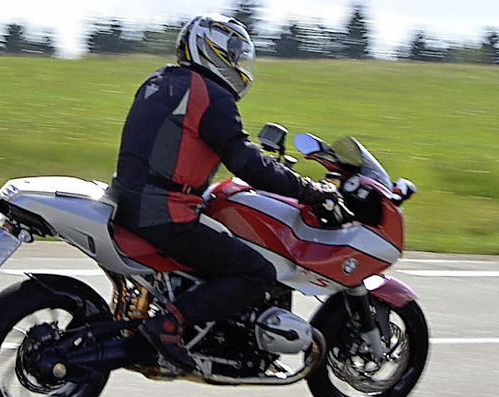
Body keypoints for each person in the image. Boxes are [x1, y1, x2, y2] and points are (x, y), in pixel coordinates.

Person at [107, 14, 342, 372]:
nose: (237, 63)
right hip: (163, 212)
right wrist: (309, 191)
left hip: (127, 198)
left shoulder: (160, 79)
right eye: (233, 52)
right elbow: (246, 162)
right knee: (257, 273)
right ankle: (169, 323)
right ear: (211, 48)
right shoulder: (210, 95)